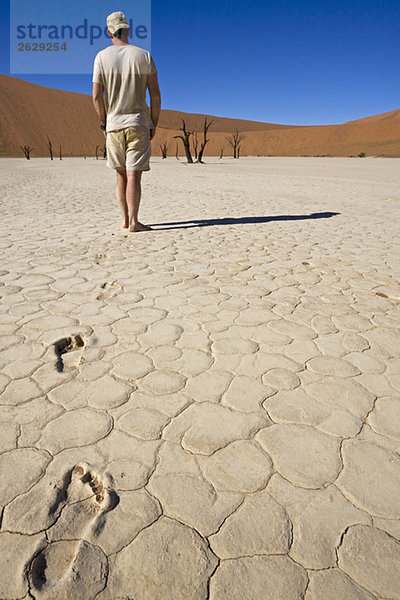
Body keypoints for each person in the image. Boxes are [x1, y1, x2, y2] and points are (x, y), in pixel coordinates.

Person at [92, 11, 161, 232]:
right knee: (134, 175)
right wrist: (153, 122)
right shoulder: (144, 56)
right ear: (128, 30)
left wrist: (103, 123)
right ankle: (134, 222)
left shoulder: (101, 57)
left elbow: (96, 96)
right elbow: (156, 95)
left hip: (113, 124)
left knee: (120, 174)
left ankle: (124, 219)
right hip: (138, 123)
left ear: (109, 32)